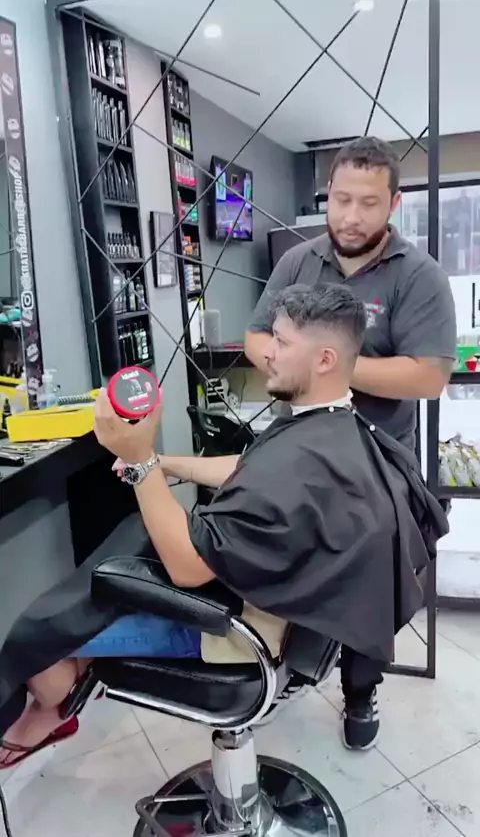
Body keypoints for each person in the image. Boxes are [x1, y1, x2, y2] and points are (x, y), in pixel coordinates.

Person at [0, 285, 448, 768]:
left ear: (324, 359)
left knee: (39, 642)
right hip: (274, 605)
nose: (267, 353)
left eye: (281, 342)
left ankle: (50, 713)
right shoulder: (334, 428)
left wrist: (140, 461)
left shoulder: (301, 460)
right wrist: (169, 464)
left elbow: (187, 568)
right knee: (94, 587)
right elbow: (253, 467)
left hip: (231, 632)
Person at [244, 137, 457, 750]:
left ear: (393, 204)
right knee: (282, 556)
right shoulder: (298, 263)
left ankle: (361, 689)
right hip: (297, 452)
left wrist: (329, 366)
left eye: (368, 203)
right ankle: (279, 665)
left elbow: (428, 376)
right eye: (341, 200)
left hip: (375, 463)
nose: (351, 216)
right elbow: (257, 338)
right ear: (328, 196)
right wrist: (297, 361)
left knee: (370, 583)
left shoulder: (418, 276)